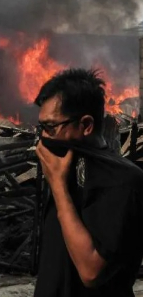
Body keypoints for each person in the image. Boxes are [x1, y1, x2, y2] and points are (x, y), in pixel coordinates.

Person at [33, 68, 143, 297]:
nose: (43, 138)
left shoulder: (123, 181)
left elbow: (91, 272)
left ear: (86, 125)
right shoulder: (66, 165)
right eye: (41, 127)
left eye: (50, 127)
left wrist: (59, 188)